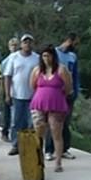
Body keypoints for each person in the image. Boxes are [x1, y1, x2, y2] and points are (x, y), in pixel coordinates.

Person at [29, 44, 73, 173]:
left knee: (56, 132)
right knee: (39, 132)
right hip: (39, 104)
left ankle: (58, 162)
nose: (46, 58)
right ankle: (38, 160)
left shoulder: (61, 69)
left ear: (54, 56)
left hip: (56, 104)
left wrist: (59, 95)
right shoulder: (37, 70)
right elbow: (32, 85)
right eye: (44, 56)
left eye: (49, 55)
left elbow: (68, 87)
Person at [45, 32, 80, 161]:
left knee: (66, 122)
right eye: (75, 42)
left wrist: (76, 91)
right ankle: (49, 149)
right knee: (52, 122)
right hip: (55, 93)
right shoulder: (54, 53)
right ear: (69, 41)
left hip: (69, 94)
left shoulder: (73, 56)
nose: (76, 45)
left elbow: (75, 75)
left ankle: (64, 149)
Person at [4, 34, 39, 156]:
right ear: (21, 44)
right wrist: (7, 94)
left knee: (31, 123)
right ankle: (15, 145)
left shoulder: (37, 58)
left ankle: (29, 145)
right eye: (25, 42)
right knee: (16, 122)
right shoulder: (14, 57)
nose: (27, 44)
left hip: (32, 96)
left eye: (29, 42)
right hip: (17, 95)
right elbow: (7, 76)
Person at [0, 38, 20, 142]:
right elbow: (4, 76)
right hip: (8, 90)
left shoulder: (21, 58)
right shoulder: (5, 61)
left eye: (16, 45)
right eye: (12, 45)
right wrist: (6, 92)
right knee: (7, 113)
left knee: (16, 115)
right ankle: (5, 132)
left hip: (18, 90)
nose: (14, 47)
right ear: (9, 47)